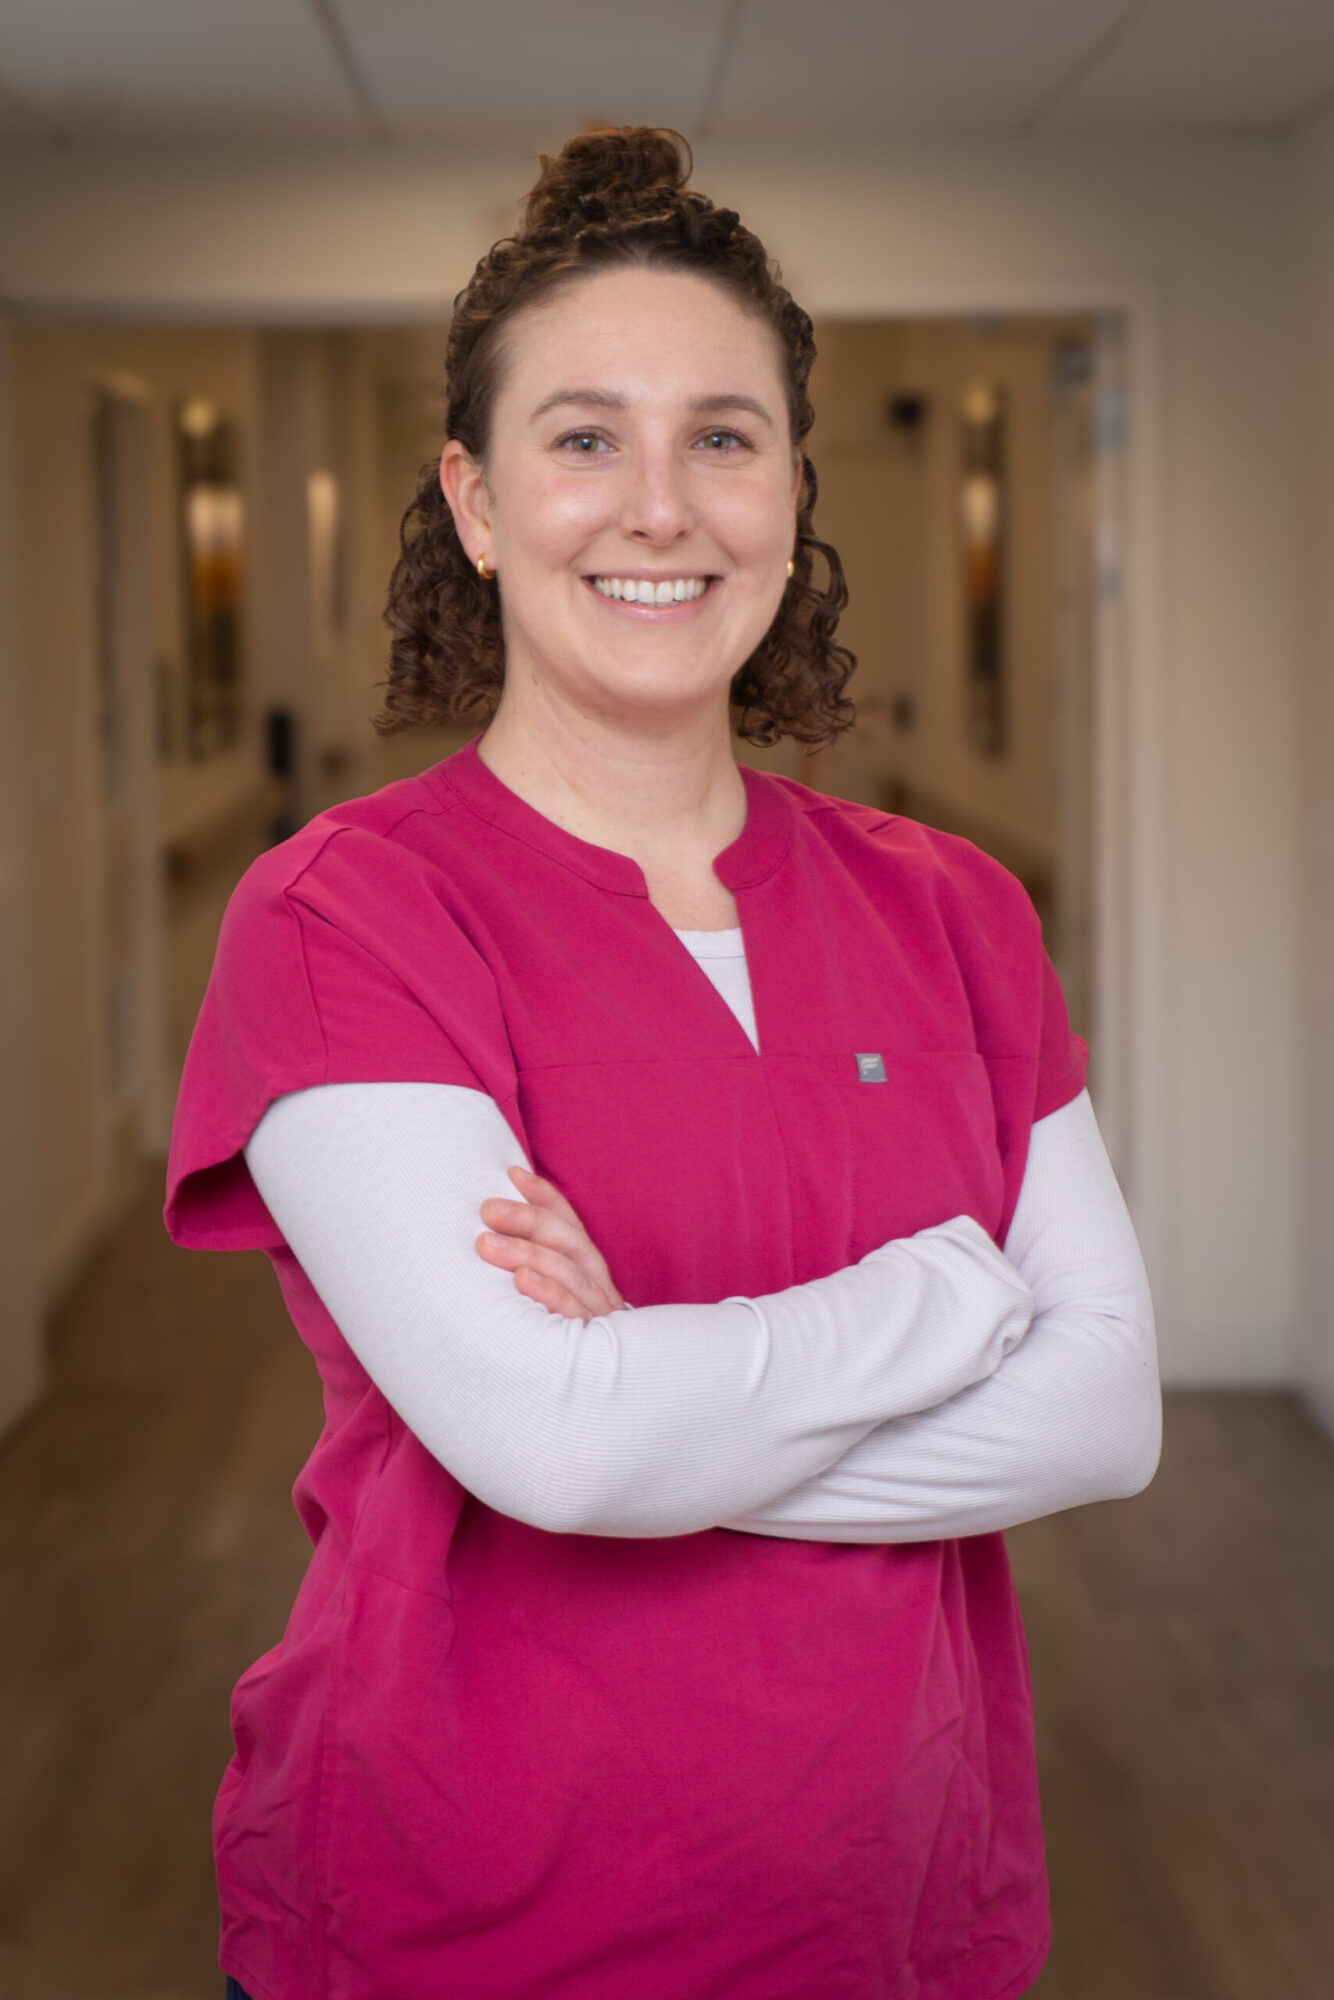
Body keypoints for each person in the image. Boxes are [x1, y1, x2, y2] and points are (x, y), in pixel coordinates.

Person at [164, 126, 1160, 2000]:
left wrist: (651, 1400)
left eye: (721, 434)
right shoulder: (342, 920)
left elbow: (1107, 1418)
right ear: (471, 500)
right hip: (456, 1912)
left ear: (791, 488)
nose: (659, 505)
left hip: (895, 1900)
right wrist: (951, 1297)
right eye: (581, 437)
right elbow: (554, 1442)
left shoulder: (951, 908)